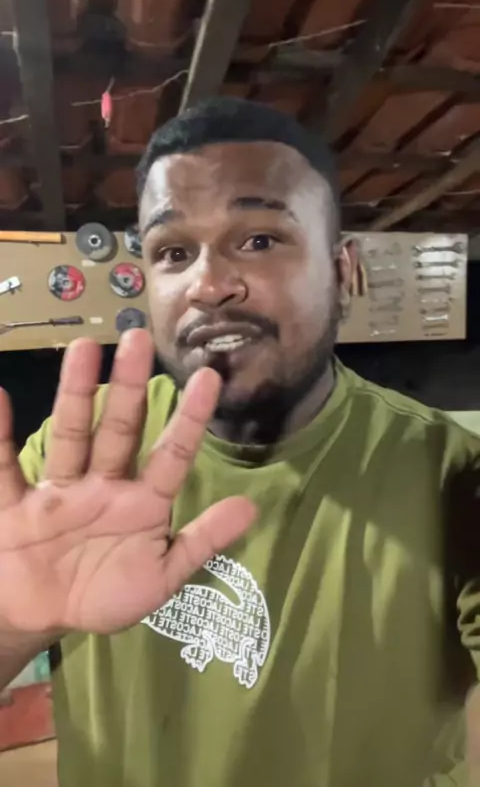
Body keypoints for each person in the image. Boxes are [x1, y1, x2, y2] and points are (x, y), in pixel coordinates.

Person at [0, 97, 479, 787]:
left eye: (259, 240)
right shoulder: (79, 459)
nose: (209, 285)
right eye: (173, 252)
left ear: (344, 273)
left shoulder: (452, 474)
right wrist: (16, 622)